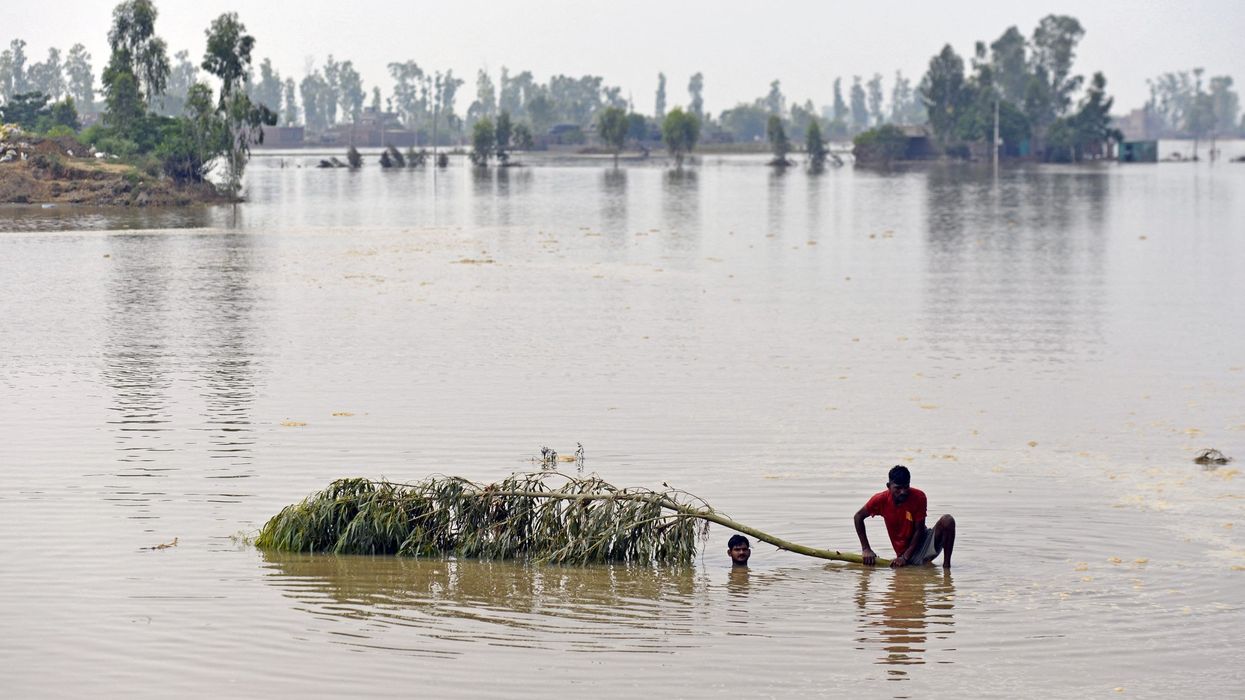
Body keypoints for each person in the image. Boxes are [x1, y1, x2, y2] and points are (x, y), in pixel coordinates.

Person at [853, 465, 955, 569]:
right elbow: (858, 517)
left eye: (906, 487)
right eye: (898, 488)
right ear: (889, 486)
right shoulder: (880, 500)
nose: (903, 492)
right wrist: (866, 549)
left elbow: (919, 530)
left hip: (922, 544)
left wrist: (905, 557)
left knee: (948, 520)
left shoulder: (919, 497)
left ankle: (947, 568)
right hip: (903, 553)